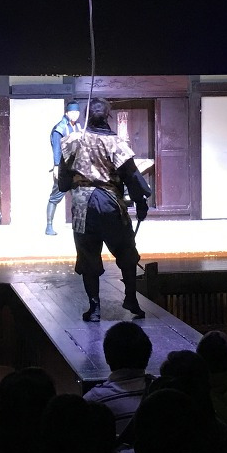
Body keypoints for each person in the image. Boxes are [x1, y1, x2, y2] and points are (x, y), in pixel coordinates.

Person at [57, 98, 152, 321]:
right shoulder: (116, 143)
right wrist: (140, 202)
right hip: (110, 204)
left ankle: (95, 308)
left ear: (86, 116)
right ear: (108, 116)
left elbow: (63, 183)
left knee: (88, 256)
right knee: (126, 252)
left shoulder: (72, 141)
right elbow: (132, 176)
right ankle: (131, 298)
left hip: (83, 207)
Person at [45, 102, 82, 236]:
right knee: (55, 196)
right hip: (63, 167)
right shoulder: (60, 128)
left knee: (79, 196)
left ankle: (79, 224)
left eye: (77, 112)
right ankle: (49, 226)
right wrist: (56, 166)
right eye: (72, 112)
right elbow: (57, 149)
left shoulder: (78, 126)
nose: (75, 115)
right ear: (67, 113)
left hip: (76, 167)